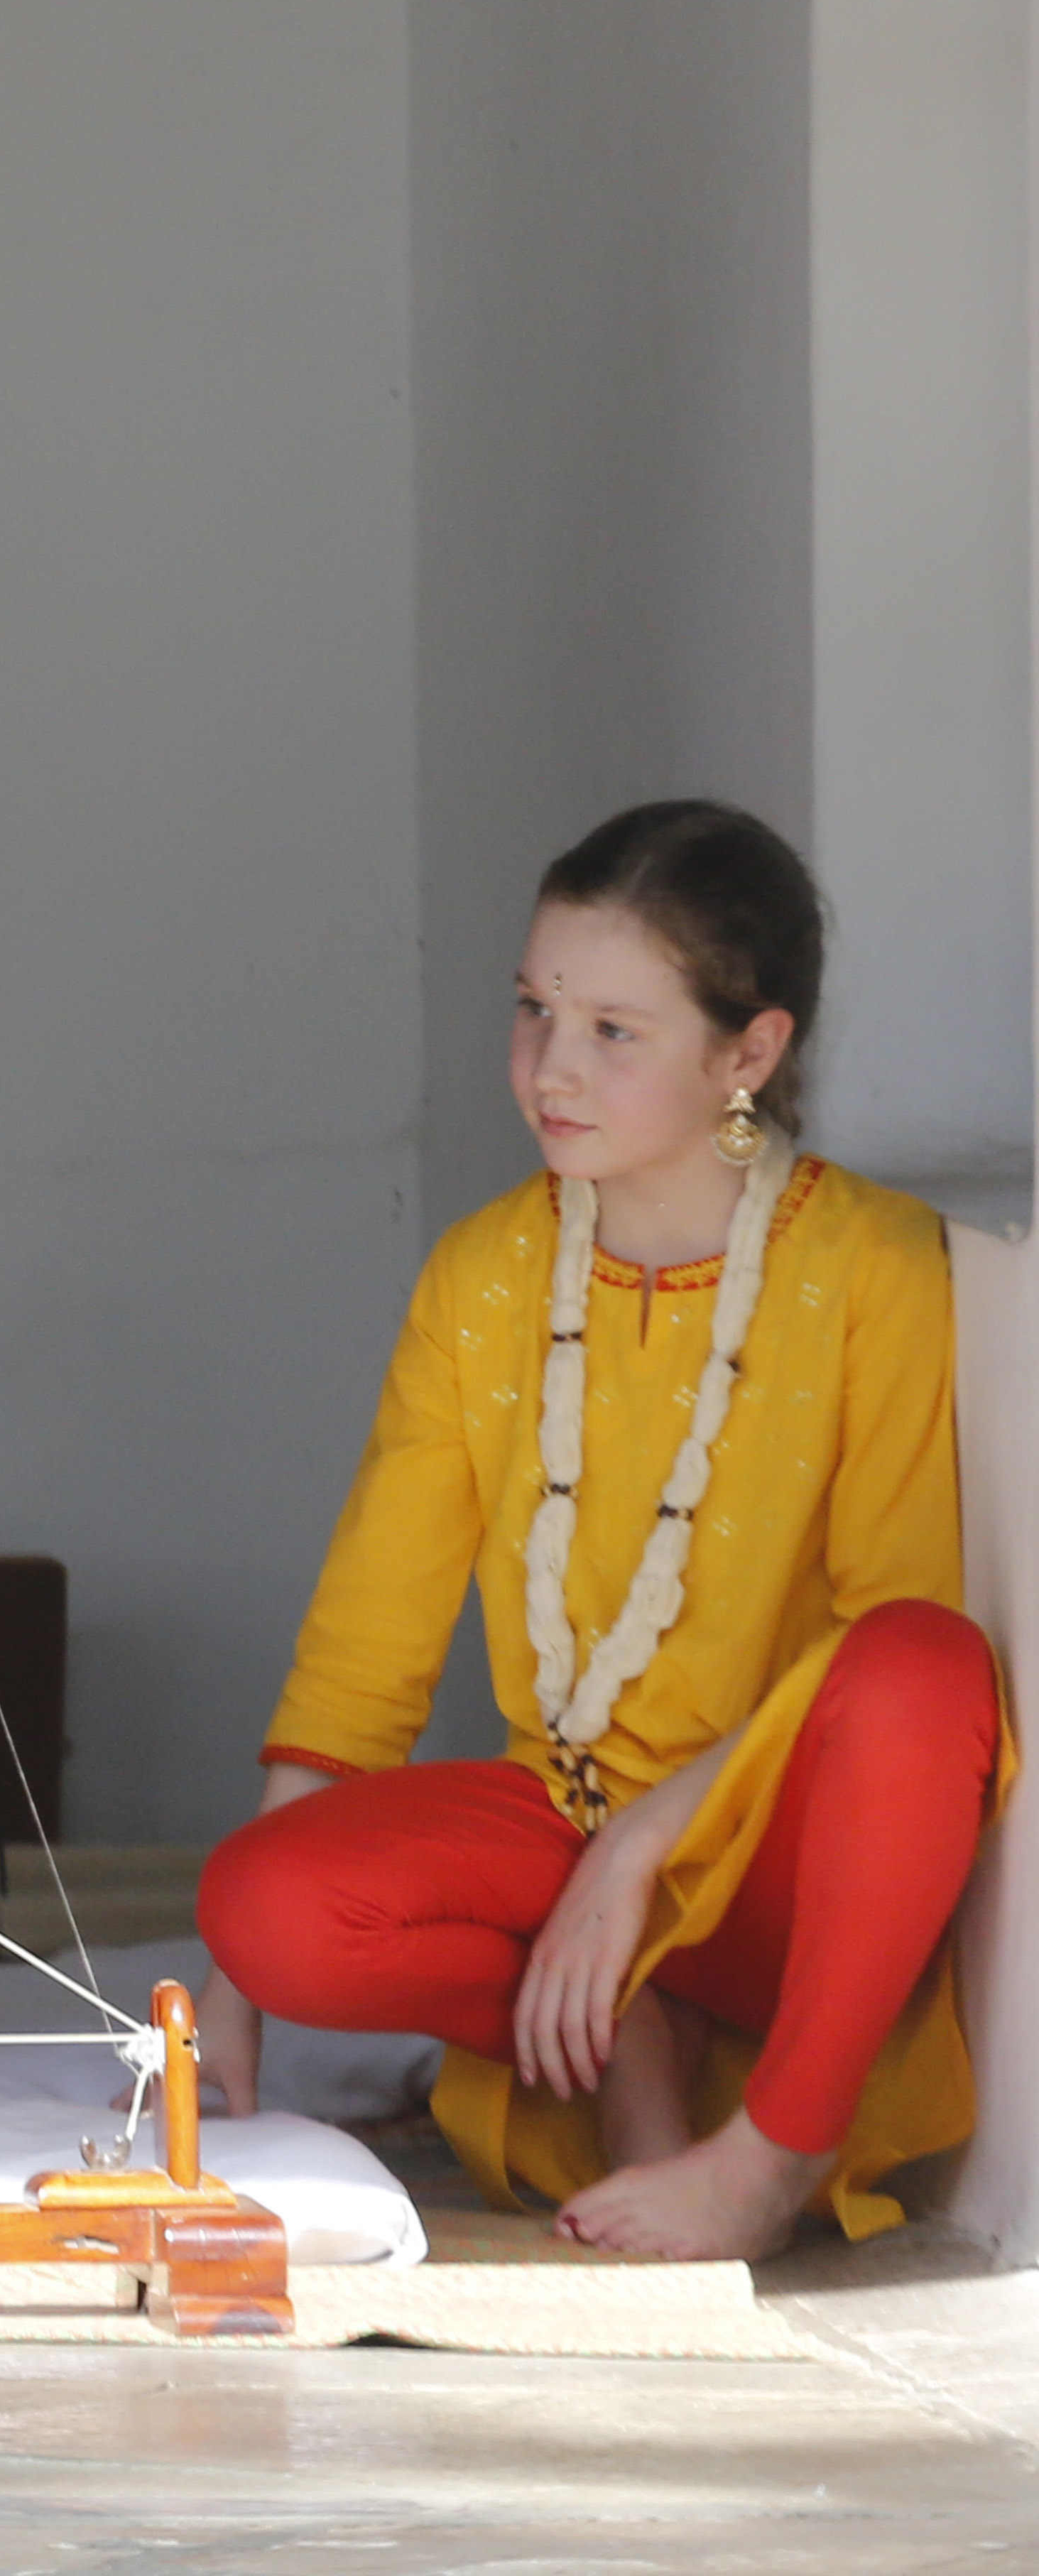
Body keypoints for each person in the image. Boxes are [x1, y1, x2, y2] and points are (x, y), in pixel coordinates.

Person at [197, 801, 1006, 2259]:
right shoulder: (486, 1274)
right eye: (532, 1010)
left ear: (748, 1054)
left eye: (613, 1031)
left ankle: (759, 2162)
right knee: (266, 1900)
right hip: (552, 1815)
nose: (549, 1067)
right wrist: (236, 1991)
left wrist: (644, 1848)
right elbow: (371, 1637)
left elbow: (883, 1628)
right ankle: (631, 2020)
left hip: (763, 1849)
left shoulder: (875, 1264)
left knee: (928, 1667)